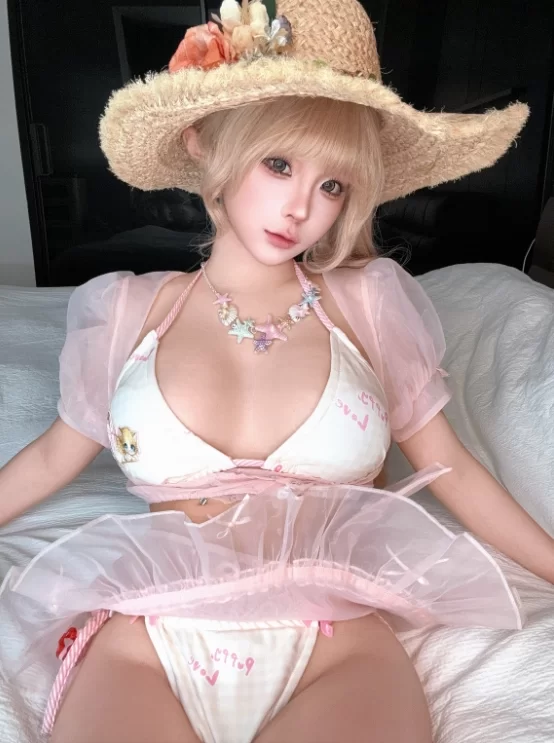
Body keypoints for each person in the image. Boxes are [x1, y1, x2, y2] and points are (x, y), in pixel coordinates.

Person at [0, 1, 550, 742]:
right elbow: (48, 460)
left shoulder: (369, 301)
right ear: (206, 144)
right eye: (280, 164)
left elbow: (451, 467)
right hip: (150, 633)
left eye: (333, 185)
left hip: (335, 637)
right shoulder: (125, 309)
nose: (301, 208)